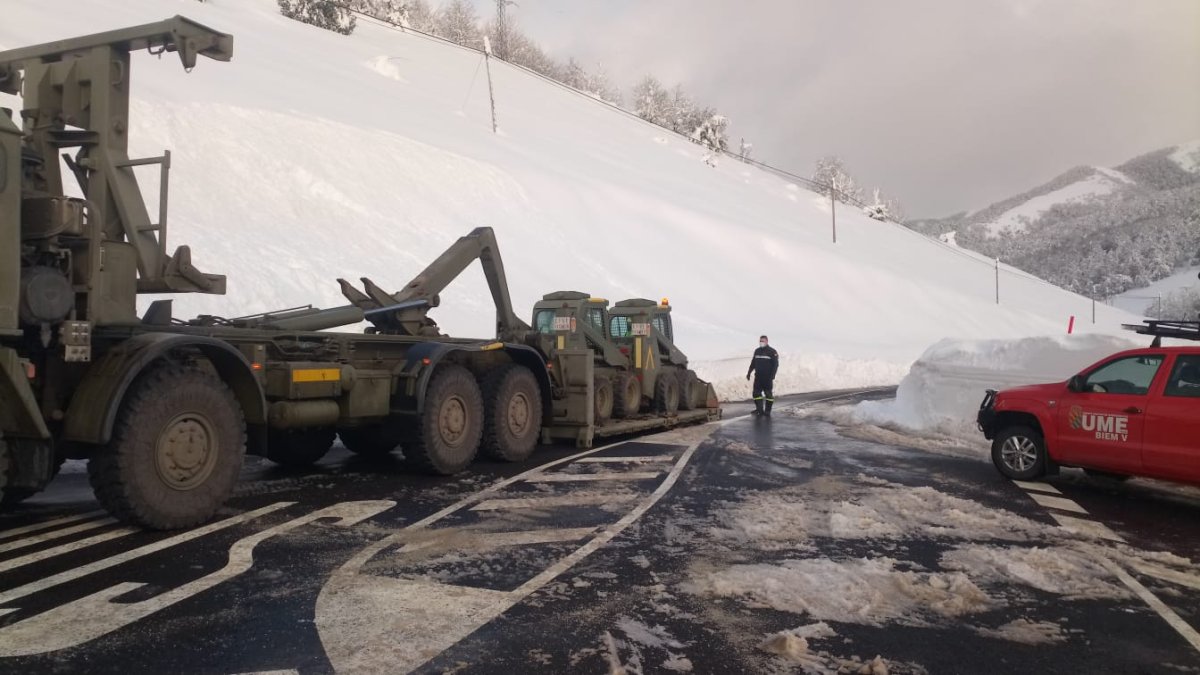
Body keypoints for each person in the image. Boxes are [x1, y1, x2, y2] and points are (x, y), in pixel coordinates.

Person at [746, 335, 779, 416]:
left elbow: (775, 365)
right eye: (760, 341)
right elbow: (753, 363)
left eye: (763, 341)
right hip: (758, 377)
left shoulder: (772, 352)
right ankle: (759, 409)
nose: (761, 342)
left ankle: (768, 411)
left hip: (767, 377)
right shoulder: (757, 351)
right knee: (756, 394)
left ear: (767, 341)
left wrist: (772, 376)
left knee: (768, 394)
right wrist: (749, 372)